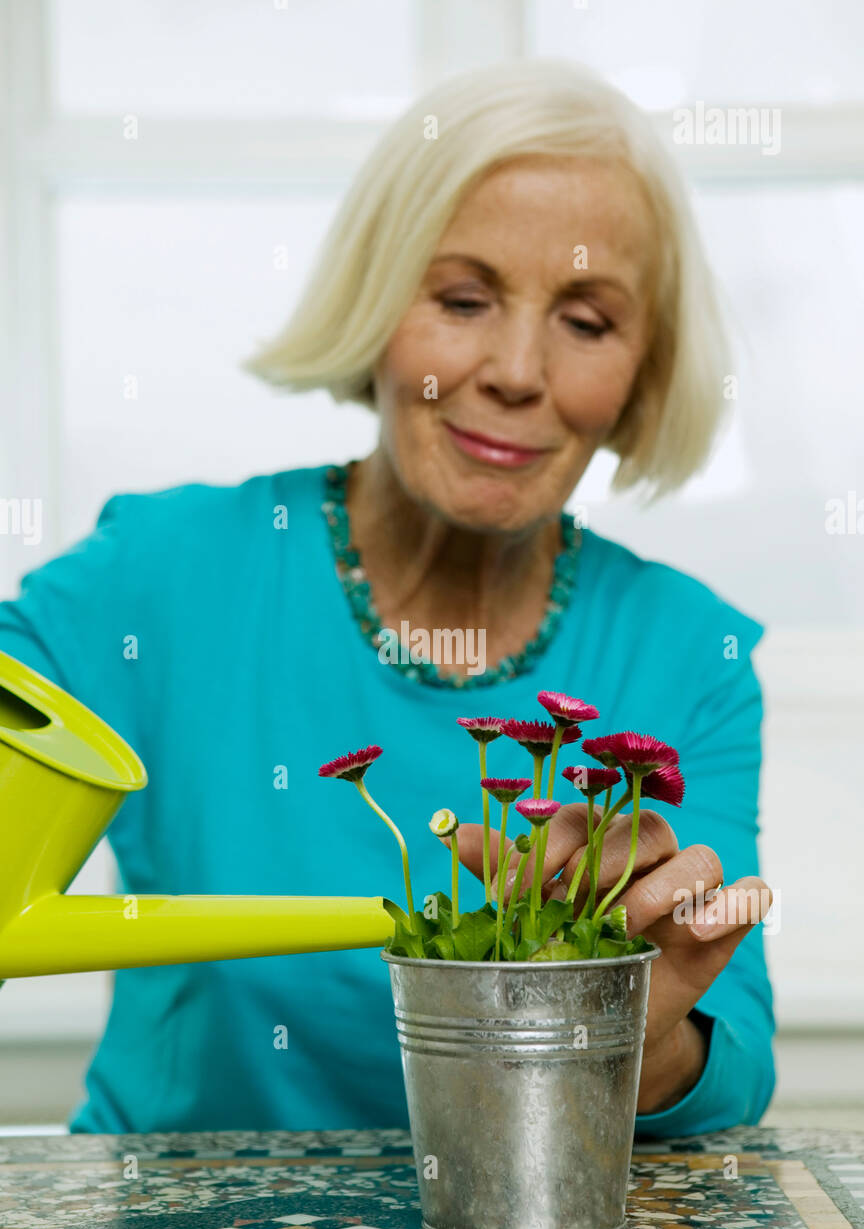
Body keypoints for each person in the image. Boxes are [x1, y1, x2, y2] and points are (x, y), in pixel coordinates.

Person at [0, 59, 774, 1137]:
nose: (515, 369)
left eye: (587, 322)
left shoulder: (689, 652)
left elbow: (731, 1070)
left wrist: (630, 1034)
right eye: (463, 300)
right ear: (376, 309)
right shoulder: (161, 573)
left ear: (643, 375)